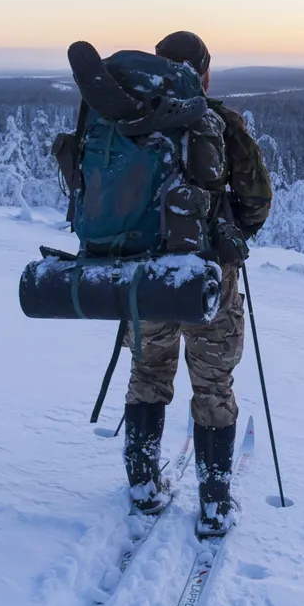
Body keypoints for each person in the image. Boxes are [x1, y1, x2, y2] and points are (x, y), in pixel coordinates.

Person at [123, 30, 273, 537]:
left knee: (148, 374)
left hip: (144, 276)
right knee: (213, 385)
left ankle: (143, 486)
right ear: (203, 73)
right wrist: (230, 233)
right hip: (207, 276)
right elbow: (257, 201)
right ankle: (213, 506)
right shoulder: (220, 125)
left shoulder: (129, 121)